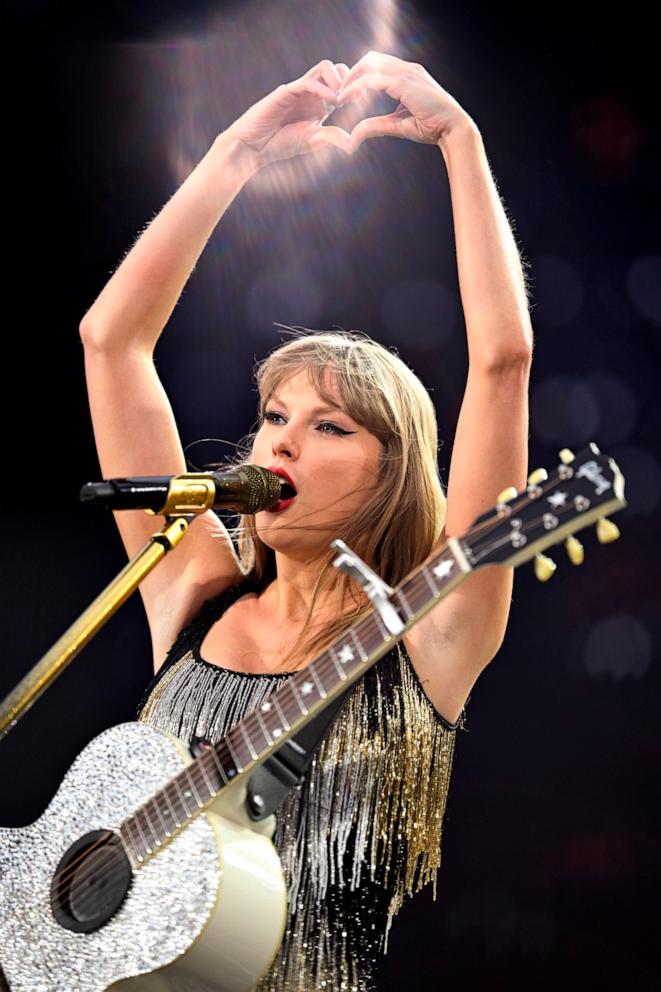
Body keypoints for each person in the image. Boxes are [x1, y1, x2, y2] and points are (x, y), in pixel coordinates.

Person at [80, 52, 532, 992]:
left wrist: (460, 142)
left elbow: (502, 362)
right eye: (275, 417)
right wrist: (235, 154)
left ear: (393, 471)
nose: (280, 443)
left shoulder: (434, 630)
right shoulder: (194, 588)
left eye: (329, 426)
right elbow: (111, 342)